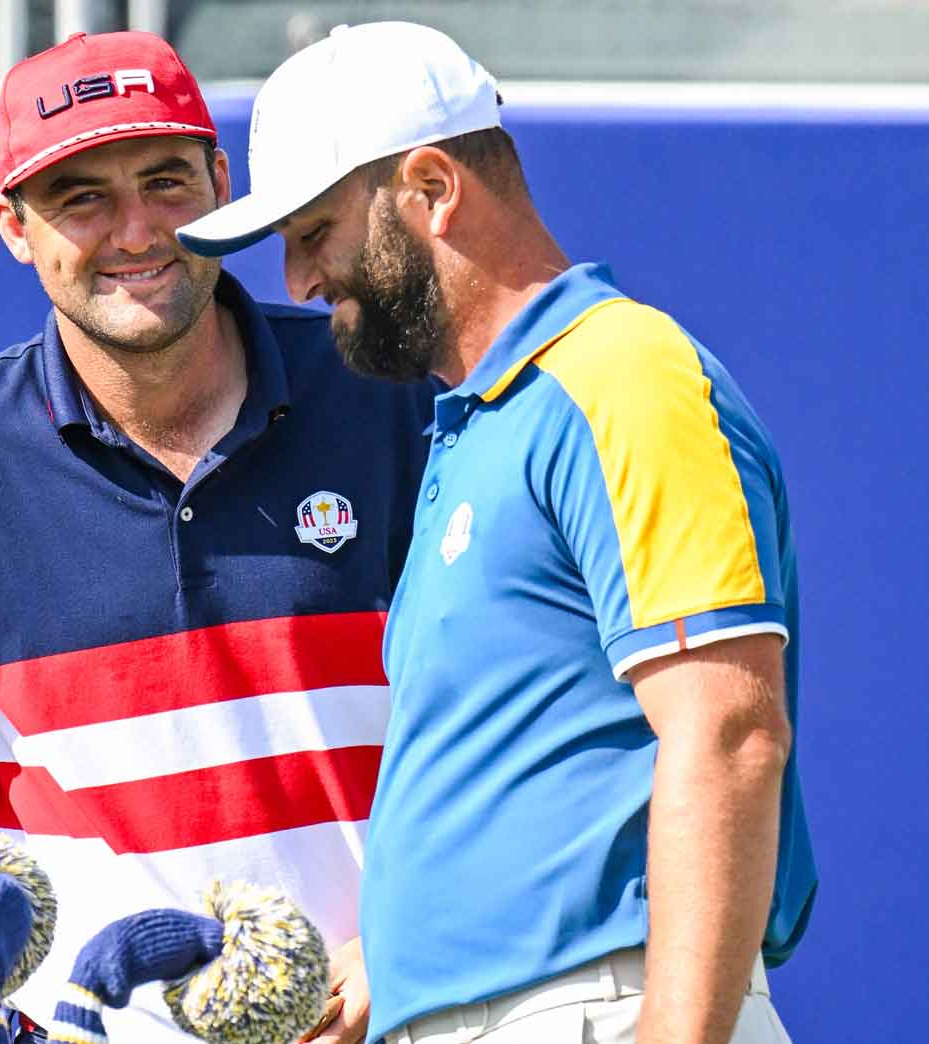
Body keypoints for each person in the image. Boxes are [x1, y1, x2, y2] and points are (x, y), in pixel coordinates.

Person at [0, 29, 431, 1044]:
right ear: (12, 225)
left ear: (223, 181)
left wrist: (412, 942)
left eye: (166, 180)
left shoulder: (389, 396)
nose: (135, 231)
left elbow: (539, 723)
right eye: (81, 197)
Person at [178, 21, 818, 1044]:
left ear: (430, 189)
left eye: (314, 232)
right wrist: (398, 951)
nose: (297, 281)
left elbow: (729, 734)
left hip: (600, 1009)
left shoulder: (620, 374)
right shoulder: (485, 423)